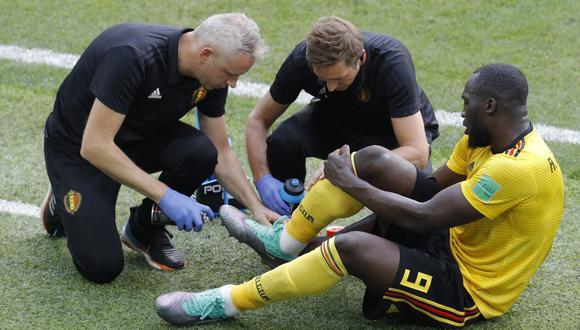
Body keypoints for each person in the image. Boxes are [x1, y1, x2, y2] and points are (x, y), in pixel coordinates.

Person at [155, 63, 564, 327]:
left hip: (468, 289)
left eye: (467, 102)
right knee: (373, 160)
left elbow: (422, 216)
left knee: (354, 247)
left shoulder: (514, 168)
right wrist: (362, 174)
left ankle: (223, 302)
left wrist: (350, 184)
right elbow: (431, 191)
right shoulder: (483, 141)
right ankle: (286, 242)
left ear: (490, 106)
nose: (461, 111)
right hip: (454, 241)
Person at [40, 13, 278, 284]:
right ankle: (61, 195)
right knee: (102, 266)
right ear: (206, 54)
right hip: (80, 148)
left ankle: (143, 231)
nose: (233, 83)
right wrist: (166, 196)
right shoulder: (132, 56)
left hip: (137, 138)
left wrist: (256, 207)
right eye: (230, 74)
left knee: (202, 152)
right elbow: (95, 146)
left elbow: (221, 151)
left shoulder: (213, 76)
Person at [246, 16, 439, 216]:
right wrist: (263, 179)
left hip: (393, 133)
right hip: (338, 117)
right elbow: (258, 120)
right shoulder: (301, 59)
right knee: (283, 142)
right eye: (322, 79)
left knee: (416, 198)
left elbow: (417, 152)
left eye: (339, 78)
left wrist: (349, 164)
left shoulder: (391, 61)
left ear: (361, 58)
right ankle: (285, 220)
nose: (330, 87)